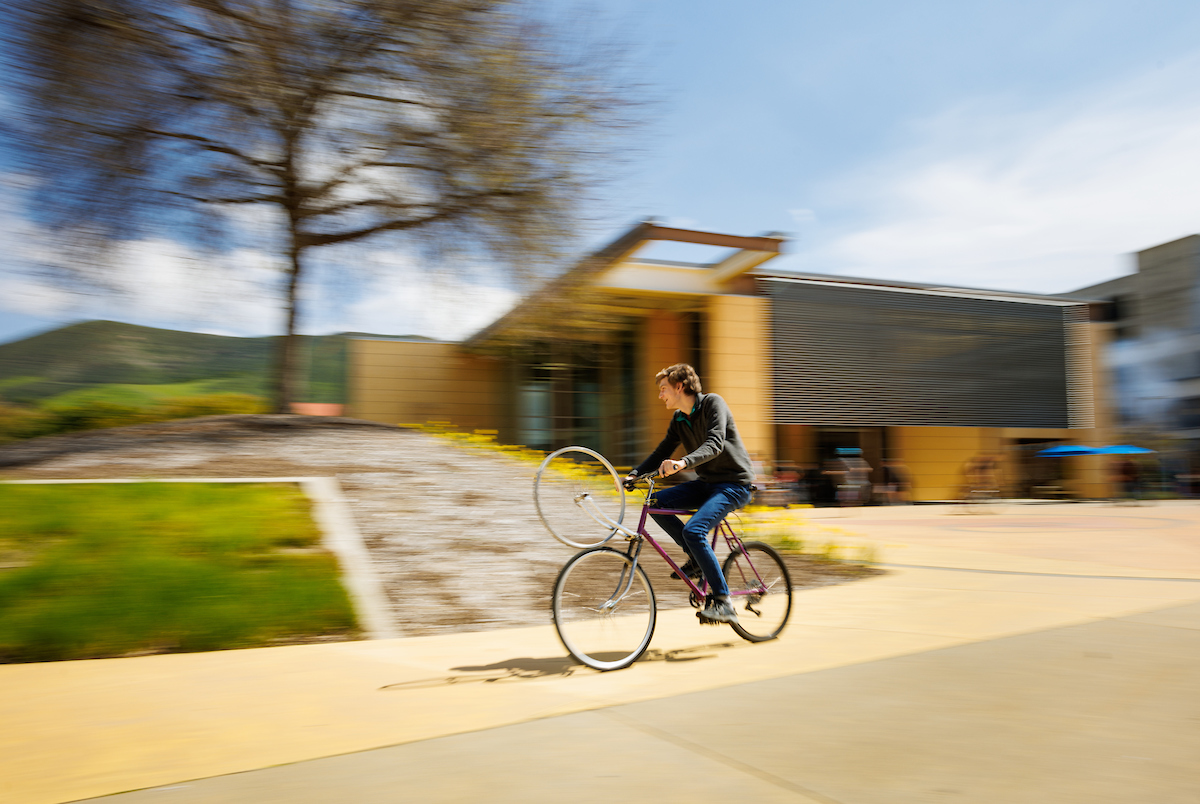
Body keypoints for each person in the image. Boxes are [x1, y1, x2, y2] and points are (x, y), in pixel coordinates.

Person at [623, 363, 755, 625]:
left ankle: (723, 602)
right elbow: (662, 452)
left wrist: (682, 463)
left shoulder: (713, 404)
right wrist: (634, 474)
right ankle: (696, 558)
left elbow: (715, 444)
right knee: (657, 502)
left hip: (734, 484)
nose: (660, 395)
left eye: (663, 389)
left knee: (694, 531)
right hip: (707, 483)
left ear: (680, 387)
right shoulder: (679, 420)